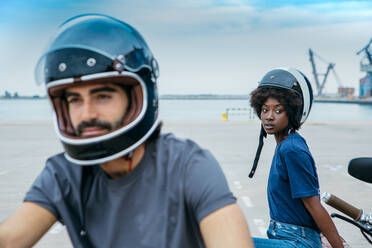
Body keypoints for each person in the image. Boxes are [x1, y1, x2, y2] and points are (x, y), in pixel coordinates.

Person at [0, 14, 253, 247]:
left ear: (136, 99)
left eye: (103, 96)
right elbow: (10, 238)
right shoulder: (64, 174)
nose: (86, 114)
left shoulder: (188, 165)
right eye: (74, 99)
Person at [248, 68, 344, 248]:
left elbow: (313, 204)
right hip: (286, 236)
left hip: (297, 241)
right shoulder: (286, 144)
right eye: (264, 109)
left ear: (291, 112)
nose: (269, 116)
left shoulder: (291, 149)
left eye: (278, 111)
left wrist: (337, 245)